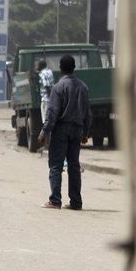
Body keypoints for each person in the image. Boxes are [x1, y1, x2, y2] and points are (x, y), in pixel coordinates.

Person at [37, 54, 93, 210]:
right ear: (74, 68)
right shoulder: (83, 87)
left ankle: (55, 201)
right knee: (74, 166)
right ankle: (76, 202)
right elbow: (88, 112)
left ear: (60, 68)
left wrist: (43, 133)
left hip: (61, 130)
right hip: (77, 130)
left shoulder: (58, 87)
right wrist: (86, 132)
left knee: (56, 164)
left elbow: (52, 112)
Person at [37, 59, 55, 125]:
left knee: (45, 120)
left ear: (41, 66)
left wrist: (50, 96)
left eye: (38, 65)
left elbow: (46, 85)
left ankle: (46, 134)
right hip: (52, 99)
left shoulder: (42, 74)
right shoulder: (50, 71)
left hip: (45, 99)